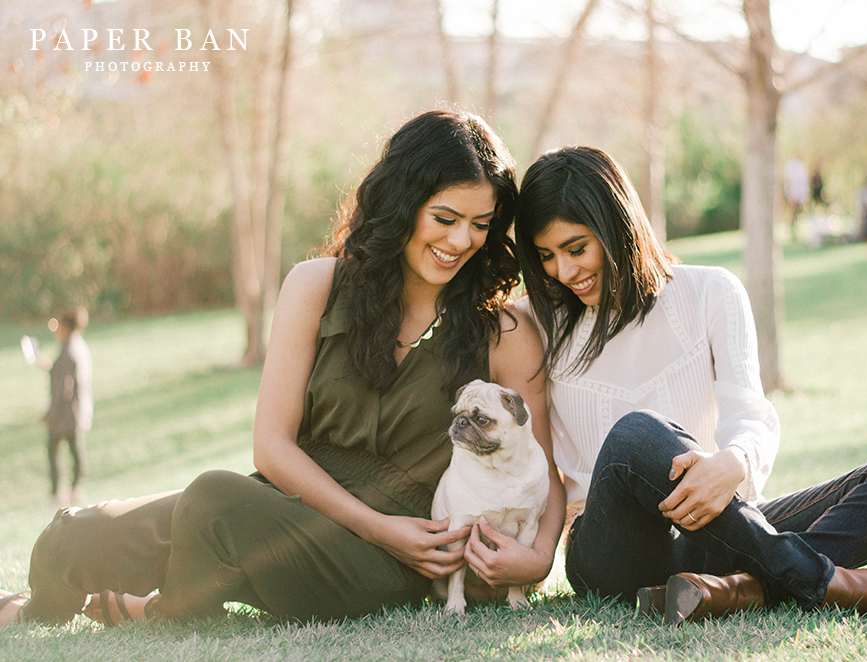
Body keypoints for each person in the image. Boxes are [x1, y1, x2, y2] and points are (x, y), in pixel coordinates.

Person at [0, 110, 565, 627]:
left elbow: (541, 463)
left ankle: (167, 611)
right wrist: (379, 528)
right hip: (284, 511)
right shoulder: (316, 286)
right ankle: (42, 612)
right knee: (70, 536)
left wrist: (536, 561)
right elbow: (272, 447)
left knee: (212, 500)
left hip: (393, 562)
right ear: (401, 204)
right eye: (444, 218)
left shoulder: (503, 334)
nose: (461, 240)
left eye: (480, 223)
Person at [512, 146, 867, 625]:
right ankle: (824, 583)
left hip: (718, 528)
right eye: (547, 256)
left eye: (577, 249)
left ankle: (740, 591)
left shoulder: (711, 292)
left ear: (618, 226)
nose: (564, 271)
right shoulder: (536, 322)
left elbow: (751, 414)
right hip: (612, 552)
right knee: (636, 434)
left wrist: (735, 460)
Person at [37, 307, 93, 509]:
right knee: (76, 451)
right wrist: (49, 367)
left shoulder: (69, 350)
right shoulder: (78, 346)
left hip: (66, 414)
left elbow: (64, 389)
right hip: (78, 412)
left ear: (66, 326)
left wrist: (49, 415)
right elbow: (64, 374)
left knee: (54, 451)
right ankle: (75, 490)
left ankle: (58, 494)